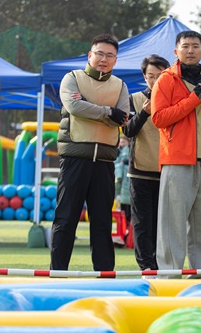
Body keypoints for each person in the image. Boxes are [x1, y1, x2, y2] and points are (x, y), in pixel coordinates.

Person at [151, 30, 201, 277]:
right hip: (177, 161)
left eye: (195, 46)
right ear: (176, 51)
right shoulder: (166, 80)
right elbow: (159, 118)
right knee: (172, 222)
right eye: (185, 46)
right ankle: (169, 275)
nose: (190, 50)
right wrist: (193, 99)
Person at [51, 33, 129, 271]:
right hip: (74, 157)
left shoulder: (120, 85)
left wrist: (90, 107)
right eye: (99, 54)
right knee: (66, 218)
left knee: (102, 222)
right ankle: (57, 273)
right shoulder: (72, 78)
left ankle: (105, 274)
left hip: (105, 161)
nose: (104, 59)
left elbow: (123, 117)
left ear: (115, 60)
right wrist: (108, 111)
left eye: (109, 55)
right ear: (89, 55)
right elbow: (74, 107)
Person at [122, 54, 170, 271]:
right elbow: (128, 130)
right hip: (140, 171)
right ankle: (147, 268)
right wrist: (144, 113)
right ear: (144, 76)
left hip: (169, 170)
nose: (155, 80)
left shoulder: (175, 100)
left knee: (164, 224)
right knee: (142, 223)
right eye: (151, 76)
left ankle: (163, 265)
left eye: (160, 76)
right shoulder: (134, 99)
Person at [114, 135, 131, 232]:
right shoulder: (118, 153)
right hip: (122, 186)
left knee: (126, 210)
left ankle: (127, 229)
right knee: (123, 210)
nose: (122, 144)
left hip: (125, 183)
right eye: (120, 142)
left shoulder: (127, 152)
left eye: (124, 142)